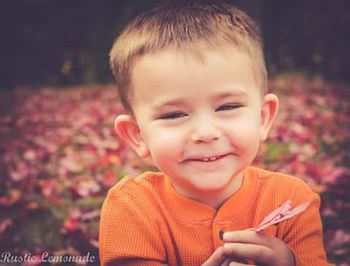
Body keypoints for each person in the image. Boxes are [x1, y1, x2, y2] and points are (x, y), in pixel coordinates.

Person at [99, 1, 330, 265]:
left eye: (227, 106)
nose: (206, 133)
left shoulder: (291, 201)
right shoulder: (132, 207)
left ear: (262, 117)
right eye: (174, 114)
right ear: (137, 135)